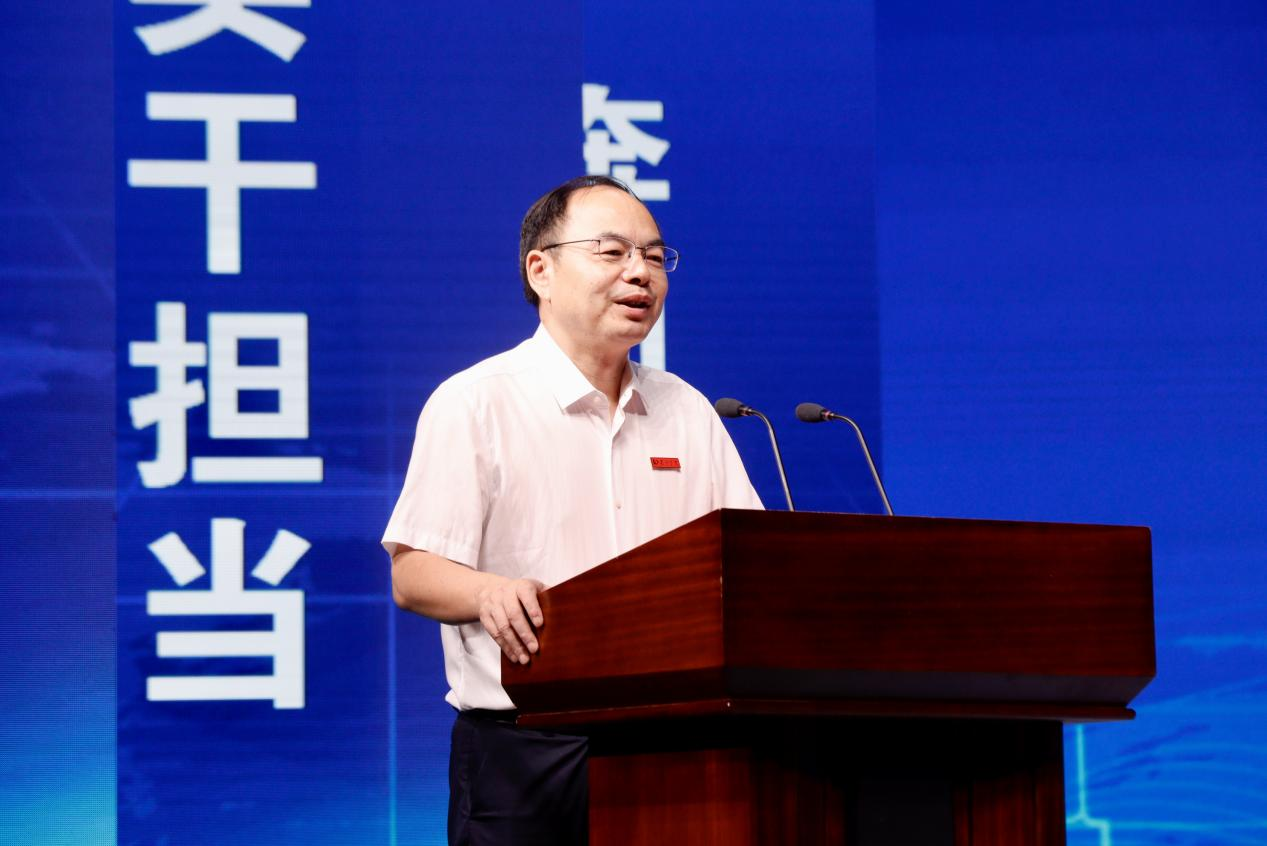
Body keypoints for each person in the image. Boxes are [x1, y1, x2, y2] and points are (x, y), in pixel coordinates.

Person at [382, 175, 762, 845]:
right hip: (525, 750)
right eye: (611, 252)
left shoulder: (686, 409)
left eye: (654, 256)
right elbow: (413, 574)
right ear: (541, 271)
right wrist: (487, 591)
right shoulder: (476, 402)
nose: (639, 273)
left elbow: (749, 563)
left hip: (677, 744)